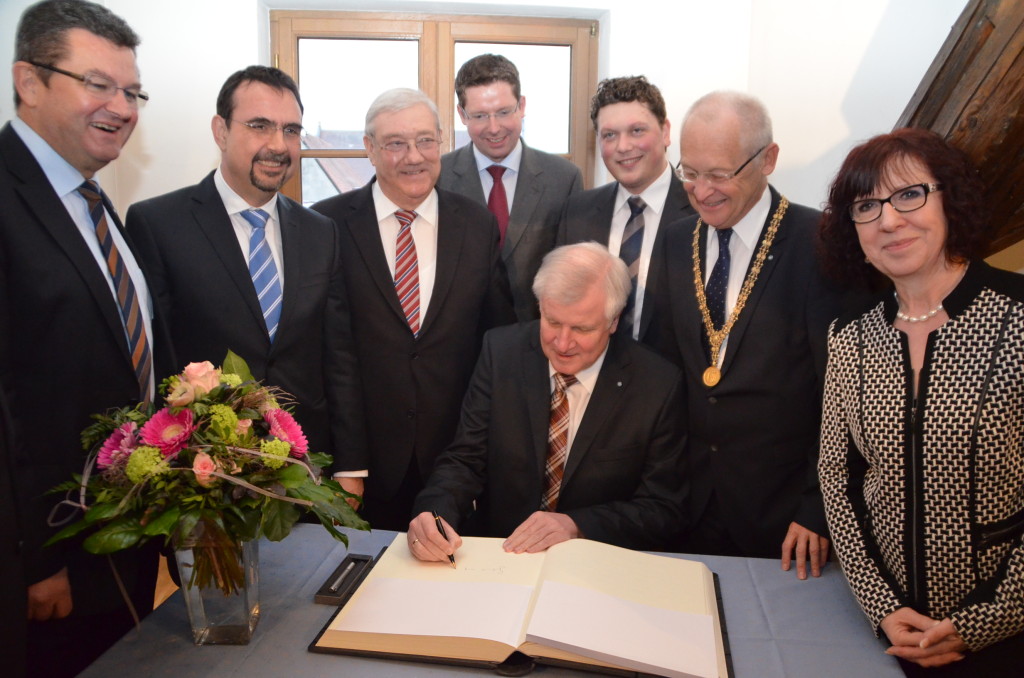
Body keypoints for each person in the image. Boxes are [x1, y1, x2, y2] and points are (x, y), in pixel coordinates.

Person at [818, 127, 1024, 676]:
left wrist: (989, 620)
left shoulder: (1019, 317)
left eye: (909, 195)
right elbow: (837, 481)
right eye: (867, 206)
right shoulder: (850, 338)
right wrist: (882, 608)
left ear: (948, 199)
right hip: (887, 635)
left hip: (1009, 633)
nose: (889, 220)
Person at [0, 2, 168, 675]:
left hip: (119, 541)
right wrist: (37, 563)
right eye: (98, 85)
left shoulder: (97, 206)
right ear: (29, 81)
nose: (123, 108)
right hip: (47, 562)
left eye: (132, 92)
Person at [127, 66, 366, 484]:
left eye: (291, 131)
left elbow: (338, 358)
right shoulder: (158, 224)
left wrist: (349, 467)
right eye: (260, 126)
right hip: (203, 475)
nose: (278, 145)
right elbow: (156, 361)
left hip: (306, 471)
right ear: (220, 131)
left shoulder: (319, 231)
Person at [649, 91, 840, 577]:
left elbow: (843, 395)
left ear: (768, 159)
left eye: (719, 174)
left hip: (785, 518)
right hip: (688, 505)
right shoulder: (675, 240)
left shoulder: (821, 244)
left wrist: (818, 508)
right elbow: (662, 368)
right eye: (689, 172)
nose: (701, 190)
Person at [313, 88, 515, 530]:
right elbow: (328, 353)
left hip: (456, 463)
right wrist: (349, 465)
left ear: (441, 142)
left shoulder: (477, 225)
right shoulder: (325, 225)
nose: (414, 157)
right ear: (369, 149)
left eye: (426, 141)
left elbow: (496, 341)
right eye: (395, 143)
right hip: (364, 468)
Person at [408, 242, 686, 560]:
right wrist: (435, 512)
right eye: (553, 322)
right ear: (540, 306)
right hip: (502, 556)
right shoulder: (502, 353)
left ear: (613, 321)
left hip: (598, 565)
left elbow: (664, 509)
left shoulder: (657, 383)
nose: (563, 343)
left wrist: (576, 525)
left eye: (582, 328)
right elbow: (465, 459)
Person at [438, 54, 582, 322]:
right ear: (462, 114)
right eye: (480, 115)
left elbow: (570, 274)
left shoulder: (564, 179)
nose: (494, 128)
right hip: (460, 340)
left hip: (537, 337)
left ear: (522, 105)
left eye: (504, 112)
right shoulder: (438, 177)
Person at [558, 76, 695, 343]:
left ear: (665, 132)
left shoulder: (701, 211)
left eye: (637, 131)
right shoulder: (576, 213)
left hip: (674, 379)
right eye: (610, 135)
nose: (623, 147)